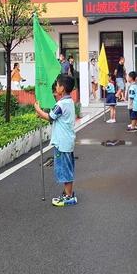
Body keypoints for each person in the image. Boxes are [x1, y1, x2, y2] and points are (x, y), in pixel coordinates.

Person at [35, 75, 77, 207]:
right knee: (67, 167)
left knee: (65, 169)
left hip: (62, 142)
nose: (56, 87)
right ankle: (67, 193)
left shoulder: (60, 104)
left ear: (62, 88)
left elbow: (50, 117)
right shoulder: (69, 102)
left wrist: (38, 110)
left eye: (58, 85)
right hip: (67, 141)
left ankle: (68, 196)